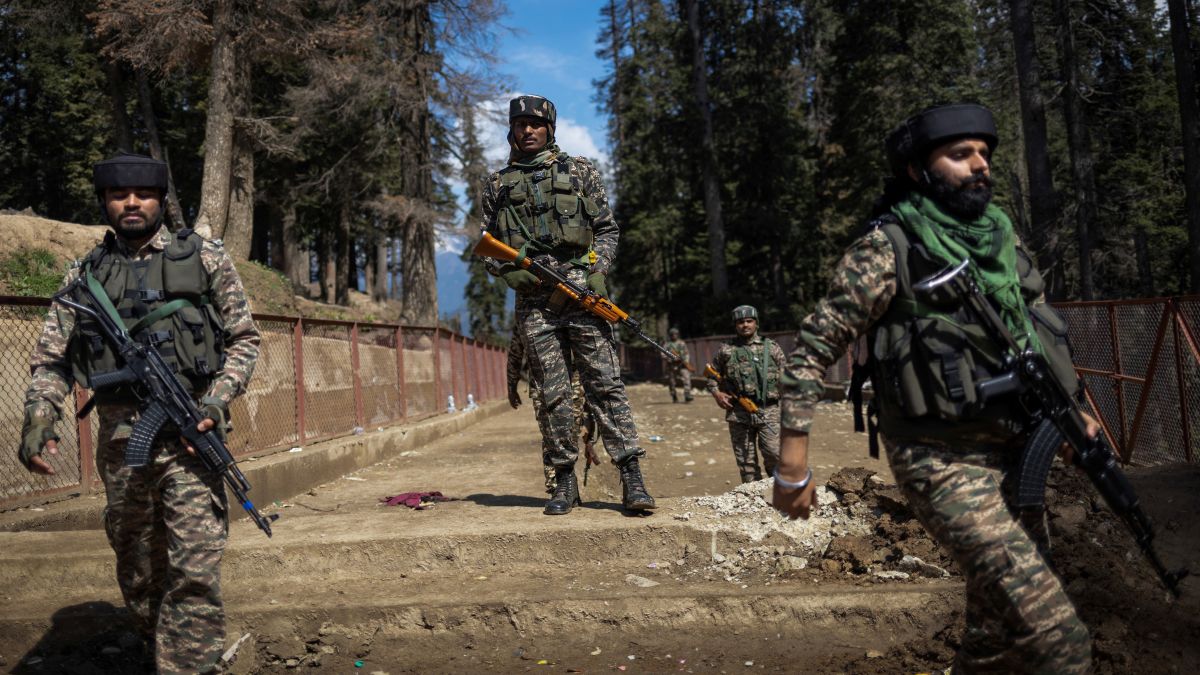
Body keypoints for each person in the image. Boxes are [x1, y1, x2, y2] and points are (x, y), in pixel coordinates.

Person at [771, 104, 1098, 673]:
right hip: (940, 459)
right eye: (960, 154)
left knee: (996, 628)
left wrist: (1073, 415)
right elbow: (813, 347)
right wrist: (792, 464)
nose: (980, 166)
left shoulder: (1000, 237)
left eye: (985, 154)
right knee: (1061, 642)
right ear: (918, 171)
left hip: (1016, 451)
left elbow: (1040, 329)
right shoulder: (888, 248)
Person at [18, 152, 261, 673]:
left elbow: (245, 340)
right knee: (138, 568)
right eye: (119, 195)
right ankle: (163, 647)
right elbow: (51, 359)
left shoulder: (207, 259)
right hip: (122, 447)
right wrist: (41, 418)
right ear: (104, 202)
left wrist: (217, 402)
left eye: (143, 194)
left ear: (161, 200)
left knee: (194, 566)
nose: (131, 204)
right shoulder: (83, 274)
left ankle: (188, 666)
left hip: (193, 435)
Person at [482, 94, 654, 515]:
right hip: (535, 305)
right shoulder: (497, 185)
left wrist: (599, 271)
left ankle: (631, 476)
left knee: (606, 385)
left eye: (536, 124)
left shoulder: (580, 171)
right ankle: (563, 482)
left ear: (549, 130)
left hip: (584, 296)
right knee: (552, 394)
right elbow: (487, 246)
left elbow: (607, 230)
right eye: (520, 124)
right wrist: (509, 273)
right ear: (511, 130)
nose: (528, 131)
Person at [506, 331, 598, 495]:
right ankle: (558, 487)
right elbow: (516, 349)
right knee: (550, 433)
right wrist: (512, 383)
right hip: (543, 381)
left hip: (574, 382)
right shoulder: (530, 312)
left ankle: (565, 484)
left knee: (570, 431)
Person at [705, 306, 786, 483]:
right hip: (739, 412)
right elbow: (712, 375)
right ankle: (753, 498)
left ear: (756, 323)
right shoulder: (726, 350)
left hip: (769, 410)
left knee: (774, 453)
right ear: (735, 325)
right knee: (746, 461)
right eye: (740, 322)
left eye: (749, 321)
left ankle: (779, 490)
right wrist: (717, 393)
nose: (745, 325)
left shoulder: (771, 348)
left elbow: (787, 376)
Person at [663, 327, 693, 403]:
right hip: (672, 365)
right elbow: (663, 354)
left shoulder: (682, 343)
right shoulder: (667, 344)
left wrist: (685, 361)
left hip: (682, 364)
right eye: (672, 334)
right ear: (670, 335)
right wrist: (670, 359)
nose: (674, 336)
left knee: (686, 378)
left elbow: (686, 353)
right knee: (672, 382)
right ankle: (674, 395)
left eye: (675, 334)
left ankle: (687, 394)